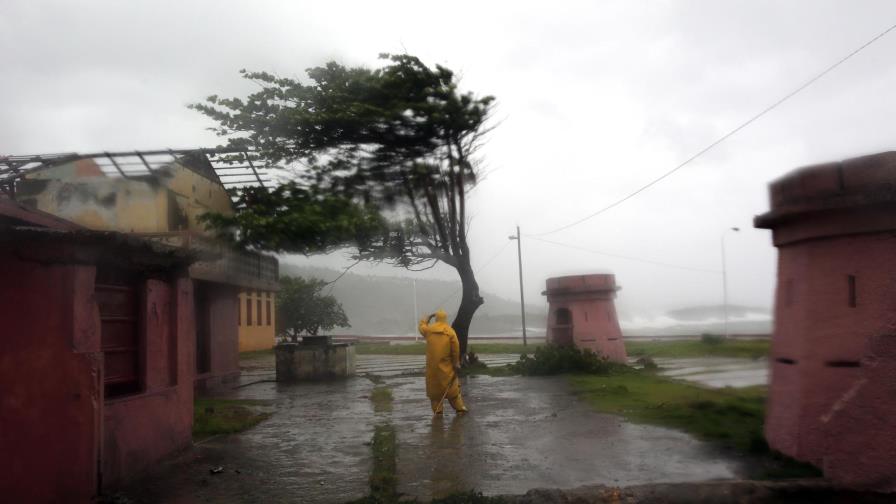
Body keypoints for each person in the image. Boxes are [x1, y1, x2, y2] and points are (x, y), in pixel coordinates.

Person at [418, 309, 468, 415]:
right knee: (452, 390)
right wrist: (456, 363)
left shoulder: (429, 330)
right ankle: (460, 409)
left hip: (432, 368)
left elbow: (421, 326)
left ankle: (438, 412)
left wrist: (427, 318)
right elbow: (455, 349)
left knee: (435, 393)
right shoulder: (450, 332)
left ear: (436, 319)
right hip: (447, 367)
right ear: (445, 319)